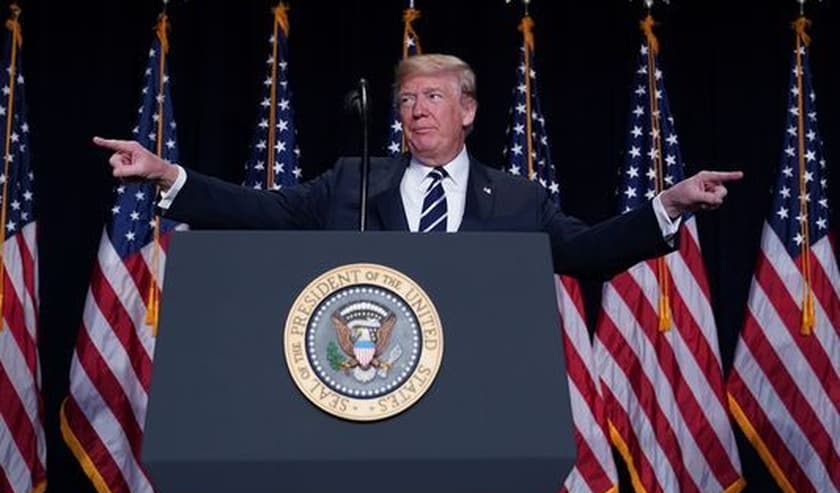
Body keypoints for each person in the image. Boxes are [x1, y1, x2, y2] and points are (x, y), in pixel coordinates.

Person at [93, 54, 741, 280]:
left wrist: (670, 204)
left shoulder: (517, 197)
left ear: (468, 110)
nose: (415, 110)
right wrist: (165, 174)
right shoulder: (352, 180)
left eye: (432, 97)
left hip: (479, 397)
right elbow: (263, 211)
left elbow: (588, 251)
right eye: (406, 100)